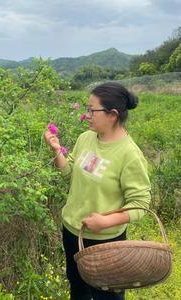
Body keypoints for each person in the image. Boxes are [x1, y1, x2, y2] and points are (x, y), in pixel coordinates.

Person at [44, 82, 151, 300]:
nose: (88, 114)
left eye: (92, 110)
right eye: (87, 109)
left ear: (112, 114)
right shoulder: (86, 138)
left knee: (107, 295)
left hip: (106, 240)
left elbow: (140, 204)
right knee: (78, 287)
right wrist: (57, 151)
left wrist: (105, 222)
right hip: (73, 232)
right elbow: (68, 172)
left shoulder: (129, 154)